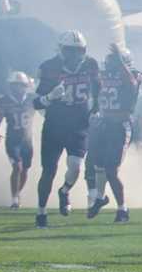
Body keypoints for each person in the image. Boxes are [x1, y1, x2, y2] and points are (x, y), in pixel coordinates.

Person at [33, 30, 100, 228]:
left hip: (79, 123)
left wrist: (96, 109)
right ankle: (41, 212)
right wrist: (50, 97)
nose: (75, 55)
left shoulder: (91, 65)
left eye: (79, 50)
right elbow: (36, 103)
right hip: (54, 123)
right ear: (61, 50)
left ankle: (64, 191)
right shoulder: (47, 67)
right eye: (70, 50)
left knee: (76, 166)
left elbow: (98, 90)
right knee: (49, 170)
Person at [85, 44, 142, 222]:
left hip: (120, 125)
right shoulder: (104, 75)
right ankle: (101, 197)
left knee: (111, 169)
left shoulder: (133, 75)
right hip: (104, 123)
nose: (109, 65)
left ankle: (122, 209)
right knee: (97, 164)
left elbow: (132, 83)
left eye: (113, 62)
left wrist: (119, 61)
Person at [0, 71, 35, 209]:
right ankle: (15, 199)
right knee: (17, 167)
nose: (17, 88)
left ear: (26, 86)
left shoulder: (32, 99)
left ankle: (17, 193)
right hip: (13, 140)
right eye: (15, 85)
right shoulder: (4, 100)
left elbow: (44, 112)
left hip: (27, 141)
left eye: (20, 85)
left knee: (25, 169)